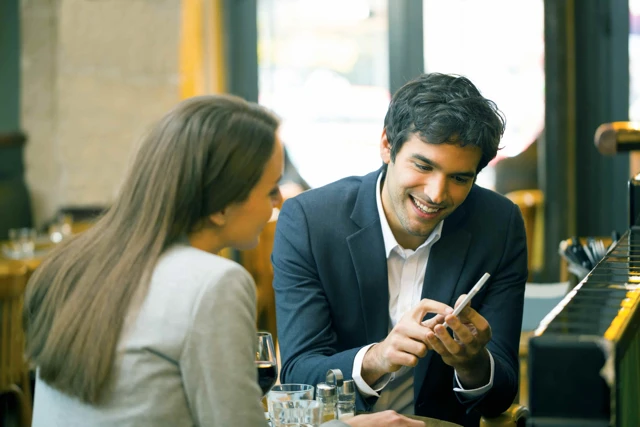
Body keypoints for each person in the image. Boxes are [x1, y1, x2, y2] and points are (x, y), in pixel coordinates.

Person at [23, 95, 423, 427]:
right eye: (269, 189)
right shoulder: (212, 282)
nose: (280, 202)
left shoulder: (72, 263)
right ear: (221, 204)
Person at [272, 73, 528, 427]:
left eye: (459, 178)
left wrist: (472, 363)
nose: (437, 193)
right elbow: (299, 373)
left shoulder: (498, 224)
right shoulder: (310, 222)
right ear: (386, 145)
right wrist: (378, 357)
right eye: (423, 166)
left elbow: (501, 396)